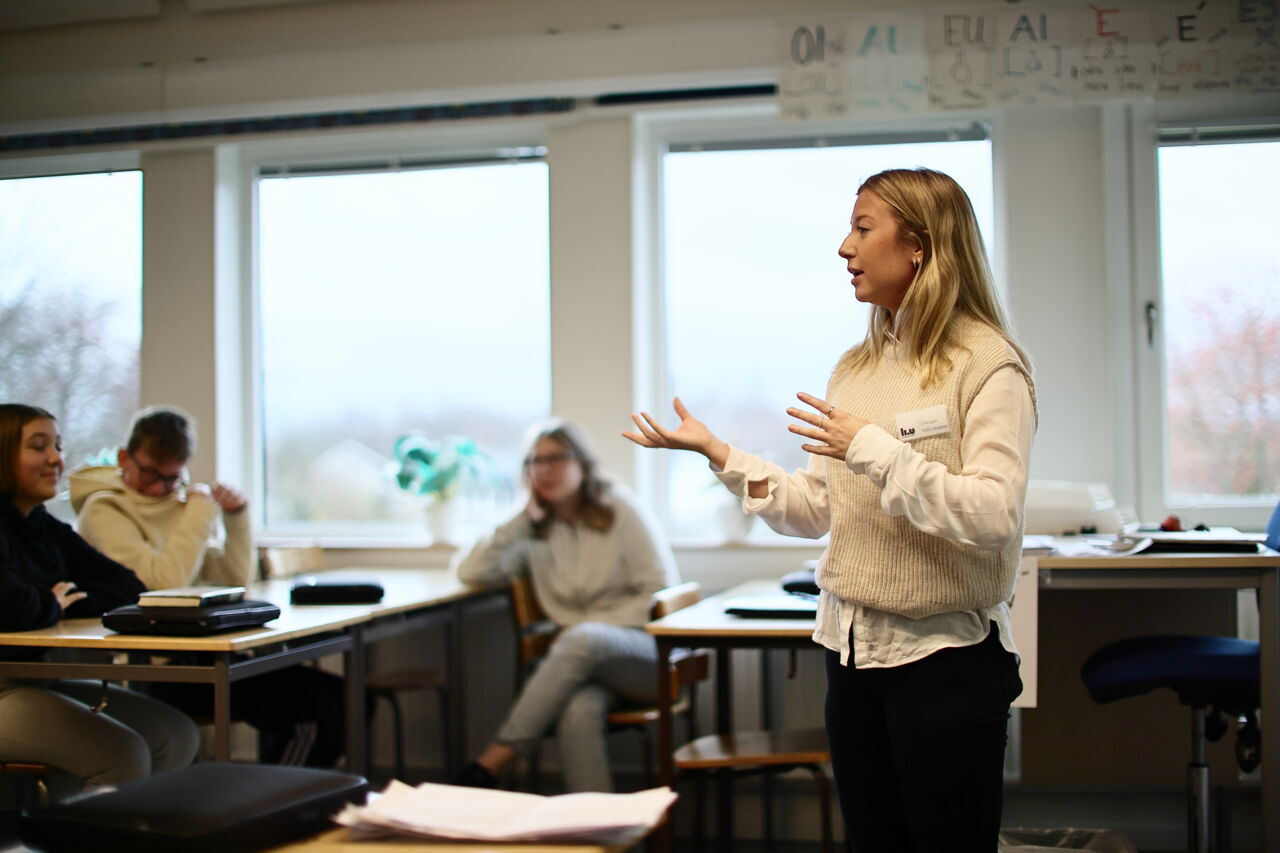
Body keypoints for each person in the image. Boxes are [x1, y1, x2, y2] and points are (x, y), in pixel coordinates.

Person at [625, 168, 1036, 851]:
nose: (845, 247)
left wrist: (872, 447)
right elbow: (816, 507)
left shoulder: (989, 364)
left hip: (946, 662)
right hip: (851, 657)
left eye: (863, 227)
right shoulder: (856, 366)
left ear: (921, 247)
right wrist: (720, 455)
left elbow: (994, 513)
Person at [70, 405, 345, 768]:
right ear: (125, 458)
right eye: (151, 474)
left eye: (172, 478)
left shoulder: (182, 506)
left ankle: (280, 803)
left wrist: (237, 517)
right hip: (154, 668)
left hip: (206, 654)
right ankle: (281, 809)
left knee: (349, 699)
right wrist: (199, 513)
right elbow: (162, 584)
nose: (161, 488)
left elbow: (233, 580)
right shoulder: (103, 511)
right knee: (318, 713)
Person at [452, 420, 679, 792]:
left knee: (583, 638)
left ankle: (493, 761)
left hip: (646, 656)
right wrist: (520, 519)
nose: (543, 470)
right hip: (581, 664)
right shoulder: (532, 530)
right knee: (578, 712)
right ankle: (598, 835)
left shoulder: (622, 509)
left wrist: (587, 630)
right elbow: (470, 570)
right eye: (534, 462)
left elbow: (659, 593)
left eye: (555, 459)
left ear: (583, 463)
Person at [0, 403, 200, 795]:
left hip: (36, 681)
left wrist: (67, 600)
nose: (56, 459)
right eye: (38, 447)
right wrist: (50, 602)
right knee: (121, 754)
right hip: (6, 689)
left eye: (57, 446)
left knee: (175, 736)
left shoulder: (43, 525)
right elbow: (10, 605)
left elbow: (129, 585)